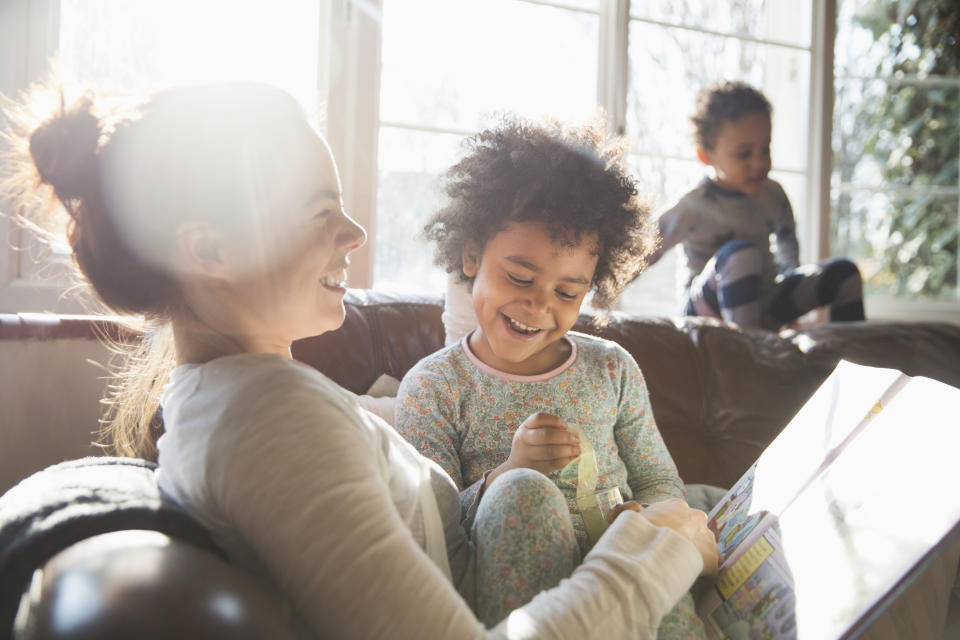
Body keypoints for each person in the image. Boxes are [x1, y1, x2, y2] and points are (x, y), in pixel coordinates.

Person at [2, 80, 719, 638]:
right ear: (210, 252)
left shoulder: (250, 398)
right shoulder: (268, 423)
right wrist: (660, 553)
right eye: (320, 213)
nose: (355, 231)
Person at [396, 114, 711, 637]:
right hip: (521, 593)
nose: (539, 305)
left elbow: (659, 481)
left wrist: (644, 515)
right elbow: (432, 528)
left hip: (625, 582)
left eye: (568, 293)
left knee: (653, 535)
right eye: (520, 277)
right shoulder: (435, 387)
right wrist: (508, 472)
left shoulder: (611, 368)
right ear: (471, 256)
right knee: (524, 490)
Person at [643, 81, 865, 330]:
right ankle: (750, 354)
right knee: (741, 255)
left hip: (764, 304)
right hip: (707, 315)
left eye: (765, 149)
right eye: (744, 154)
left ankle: (852, 359)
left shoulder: (773, 194)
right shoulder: (693, 205)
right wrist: (602, 293)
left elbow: (788, 247)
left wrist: (790, 301)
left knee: (844, 273)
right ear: (706, 155)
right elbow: (643, 251)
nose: (759, 163)